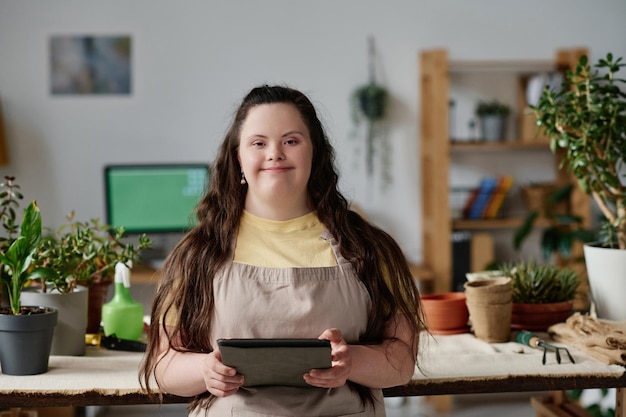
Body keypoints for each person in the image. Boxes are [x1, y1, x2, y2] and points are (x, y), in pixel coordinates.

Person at [140, 85, 424, 416]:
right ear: (238, 157)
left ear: (314, 152)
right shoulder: (197, 254)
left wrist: (353, 361)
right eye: (259, 143)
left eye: (291, 141)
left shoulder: (369, 248)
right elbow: (163, 363)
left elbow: (402, 361)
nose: (275, 153)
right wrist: (205, 370)